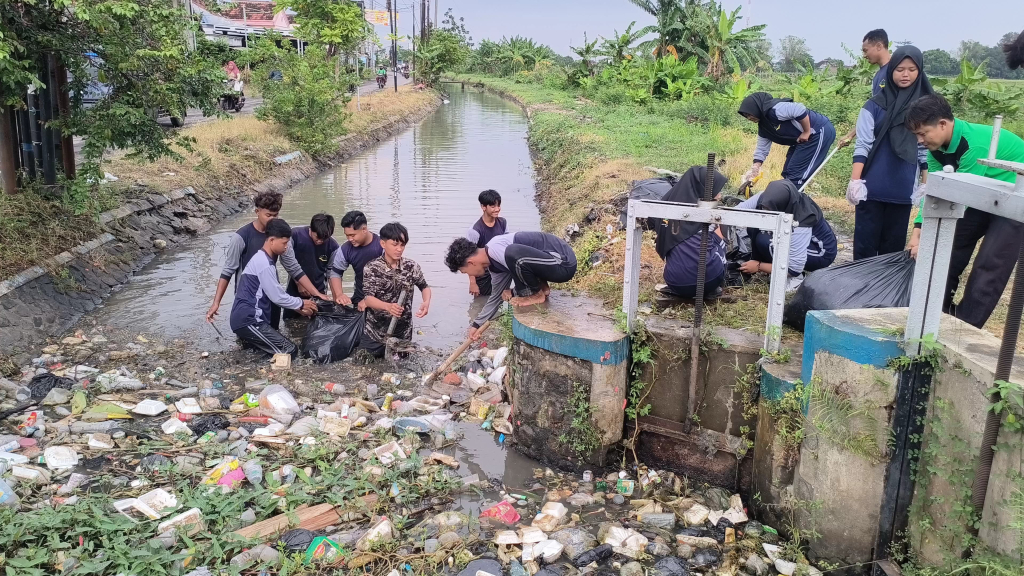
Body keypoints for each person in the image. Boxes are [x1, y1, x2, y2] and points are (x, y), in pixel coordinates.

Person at [905, 94, 1024, 328]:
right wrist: (919, 230)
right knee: (946, 246)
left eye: (922, 133)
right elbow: (935, 190)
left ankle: (964, 327)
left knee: (990, 263)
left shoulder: (973, 144)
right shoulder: (936, 149)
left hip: (1015, 198)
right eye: (916, 135)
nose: (920, 141)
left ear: (942, 124)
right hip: (984, 192)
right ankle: (935, 313)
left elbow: (960, 196)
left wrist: (927, 231)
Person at [847, 46, 932, 260]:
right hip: (871, 189)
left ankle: (885, 293)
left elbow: (924, 150)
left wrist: (924, 184)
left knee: (891, 251)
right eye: (900, 69)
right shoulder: (874, 106)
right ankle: (861, 291)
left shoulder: (924, 108)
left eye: (912, 69)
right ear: (891, 70)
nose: (905, 74)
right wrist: (855, 181)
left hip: (902, 190)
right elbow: (863, 145)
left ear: (919, 71)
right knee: (864, 247)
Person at [206, 192, 323, 327]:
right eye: (268, 215)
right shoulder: (241, 237)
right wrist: (216, 303)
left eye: (276, 215)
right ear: (257, 211)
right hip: (249, 299)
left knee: (273, 333)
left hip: (272, 295)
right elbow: (228, 271)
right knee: (250, 338)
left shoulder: (282, 236)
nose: (272, 219)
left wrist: (317, 294)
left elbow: (293, 267)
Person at [445, 231, 578, 340]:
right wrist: (476, 325)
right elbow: (496, 298)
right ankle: (542, 288)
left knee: (512, 253)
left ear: (471, 262)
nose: (467, 274)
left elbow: (520, 262)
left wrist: (517, 292)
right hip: (549, 263)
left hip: (563, 262)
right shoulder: (494, 265)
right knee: (513, 268)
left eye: (464, 271)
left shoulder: (496, 249)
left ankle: (537, 295)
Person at [229, 218, 318, 357]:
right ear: (271, 241)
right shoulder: (264, 263)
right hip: (250, 320)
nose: (287, 247)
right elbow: (277, 297)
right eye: (284, 243)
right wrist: (301, 303)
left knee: (259, 353)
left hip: (245, 320)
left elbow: (275, 293)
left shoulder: (263, 259)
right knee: (289, 350)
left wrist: (298, 308)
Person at [653, 166, 729, 299]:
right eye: (716, 191)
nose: (719, 196)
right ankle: (713, 285)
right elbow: (722, 240)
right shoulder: (708, 215)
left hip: (674, 281)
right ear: (704, 190)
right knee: (719, 240)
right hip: (710, 279)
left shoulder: (668, 206)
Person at [736, 180, 837, 279]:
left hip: (819, 252)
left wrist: (759, 266)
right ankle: (772, 265)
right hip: (800, 242)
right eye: (764, 207)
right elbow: (736, 213)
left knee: (765, 241)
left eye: (770, 209)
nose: (765, 211)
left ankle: (795, 279)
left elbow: (794, 268)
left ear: (782, 205)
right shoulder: (766, 197)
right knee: (755, 227)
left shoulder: (800, 222)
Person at [360, 223, 431, 357]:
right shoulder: (372, 268)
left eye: (402, 245)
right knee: (364, 367)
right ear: (383, 244)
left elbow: (424, 287)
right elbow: (368, 299)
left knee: (402, 371)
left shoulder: (411, 267)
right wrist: (387, 307)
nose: (399, 249)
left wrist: (426, 301)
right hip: (375, 332)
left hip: (402, 332)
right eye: (395, 245)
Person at [738, 93, 836, 188]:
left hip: (818, 131)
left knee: (796, 174)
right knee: (787, 172)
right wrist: (755, 169)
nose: (749, 118)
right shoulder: (764, 127)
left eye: (749, 114)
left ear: (756, 108)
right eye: (746, 116)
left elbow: (799, 109)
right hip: (802, 140)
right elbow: (761, 149)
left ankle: (793, 201)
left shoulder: (775, 109)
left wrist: (806, 131)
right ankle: (790, 199)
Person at [838, 29, 892, 148]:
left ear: (879, 46)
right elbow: (873, 112)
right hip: (879, 137)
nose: (864, 55)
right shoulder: (878, 75)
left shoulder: (896, 72)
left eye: (865, 50)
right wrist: (850, 135)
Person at [281, 213, 338, 318]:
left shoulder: (333, 246)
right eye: (317, 237)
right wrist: (299, 283)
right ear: (311, 229)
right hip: (294, 290)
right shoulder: (295, 235)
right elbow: (287, 261)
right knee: (290, 322)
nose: (320, 241)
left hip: (319, 292)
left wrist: (336, 298)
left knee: (317, 325)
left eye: (324, 239)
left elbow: (332, 273)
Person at [328, 210, 384, 309]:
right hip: (360, 299)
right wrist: (340, 294)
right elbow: (335, 273)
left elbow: (394, 276)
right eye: (347, 235)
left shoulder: (382, 246)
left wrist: (369, 300)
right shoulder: (345, 249)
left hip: (383, 299)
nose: (349, 239)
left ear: (364, 229)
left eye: (352, 235)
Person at [465, 190, 508, 297]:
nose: (497, 209)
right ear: (483, 207)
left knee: (504, 297)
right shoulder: (475, 231)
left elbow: (507, 246)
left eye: (498, 205)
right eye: (493, 206)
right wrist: (472, 283)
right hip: (482, 272)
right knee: (481, 301)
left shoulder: (502, 223)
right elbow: (468, 257)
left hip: (500, 268)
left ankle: (505, 313)